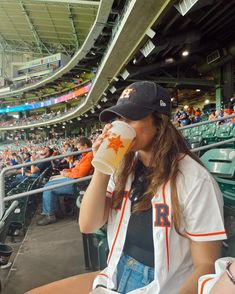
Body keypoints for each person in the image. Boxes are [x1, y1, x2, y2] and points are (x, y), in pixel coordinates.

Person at [26, 81, 226, 294]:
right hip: (116, 271)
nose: (121, 125)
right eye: (119, 119)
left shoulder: (194, 178)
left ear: (159, 123)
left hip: (163, 284)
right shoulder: (123, 166)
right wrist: (102, 165)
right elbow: (87, 225)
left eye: (131, 118)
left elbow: (206, 264)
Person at [37, 137, 93, 226]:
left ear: (86, 145)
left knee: (48, 188)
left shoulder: (89, 155)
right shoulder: (86, 155)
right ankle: (56, 212)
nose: (78, 150)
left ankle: (49, 215)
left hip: (78, 184)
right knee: (49, 184)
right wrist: (68, 170)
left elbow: (80, 174)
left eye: (79, 148)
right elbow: (77, 170)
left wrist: (66, 174)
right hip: (76, 180)